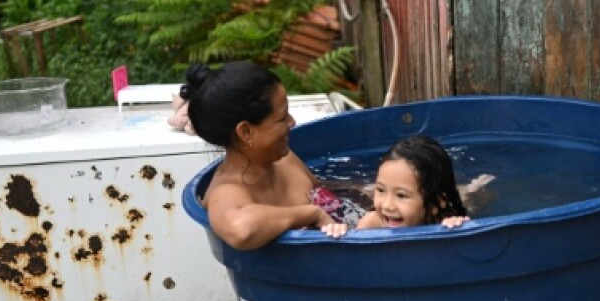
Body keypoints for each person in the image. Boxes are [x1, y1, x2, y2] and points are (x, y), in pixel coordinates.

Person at [184, 62, 339, 250]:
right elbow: (241, 230)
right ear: (246, 132)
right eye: (282, 118)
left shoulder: (285, 160)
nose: (292, 122)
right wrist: (311, 214)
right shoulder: (227, 192)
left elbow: (329, 195)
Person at [321, 135, 470, 237]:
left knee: (472, 194)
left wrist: (458, 228)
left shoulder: (442, 222)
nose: (387, 205)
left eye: (401, 195)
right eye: (380, 190)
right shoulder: (371, 225)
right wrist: (340, 234)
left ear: (436, 205)